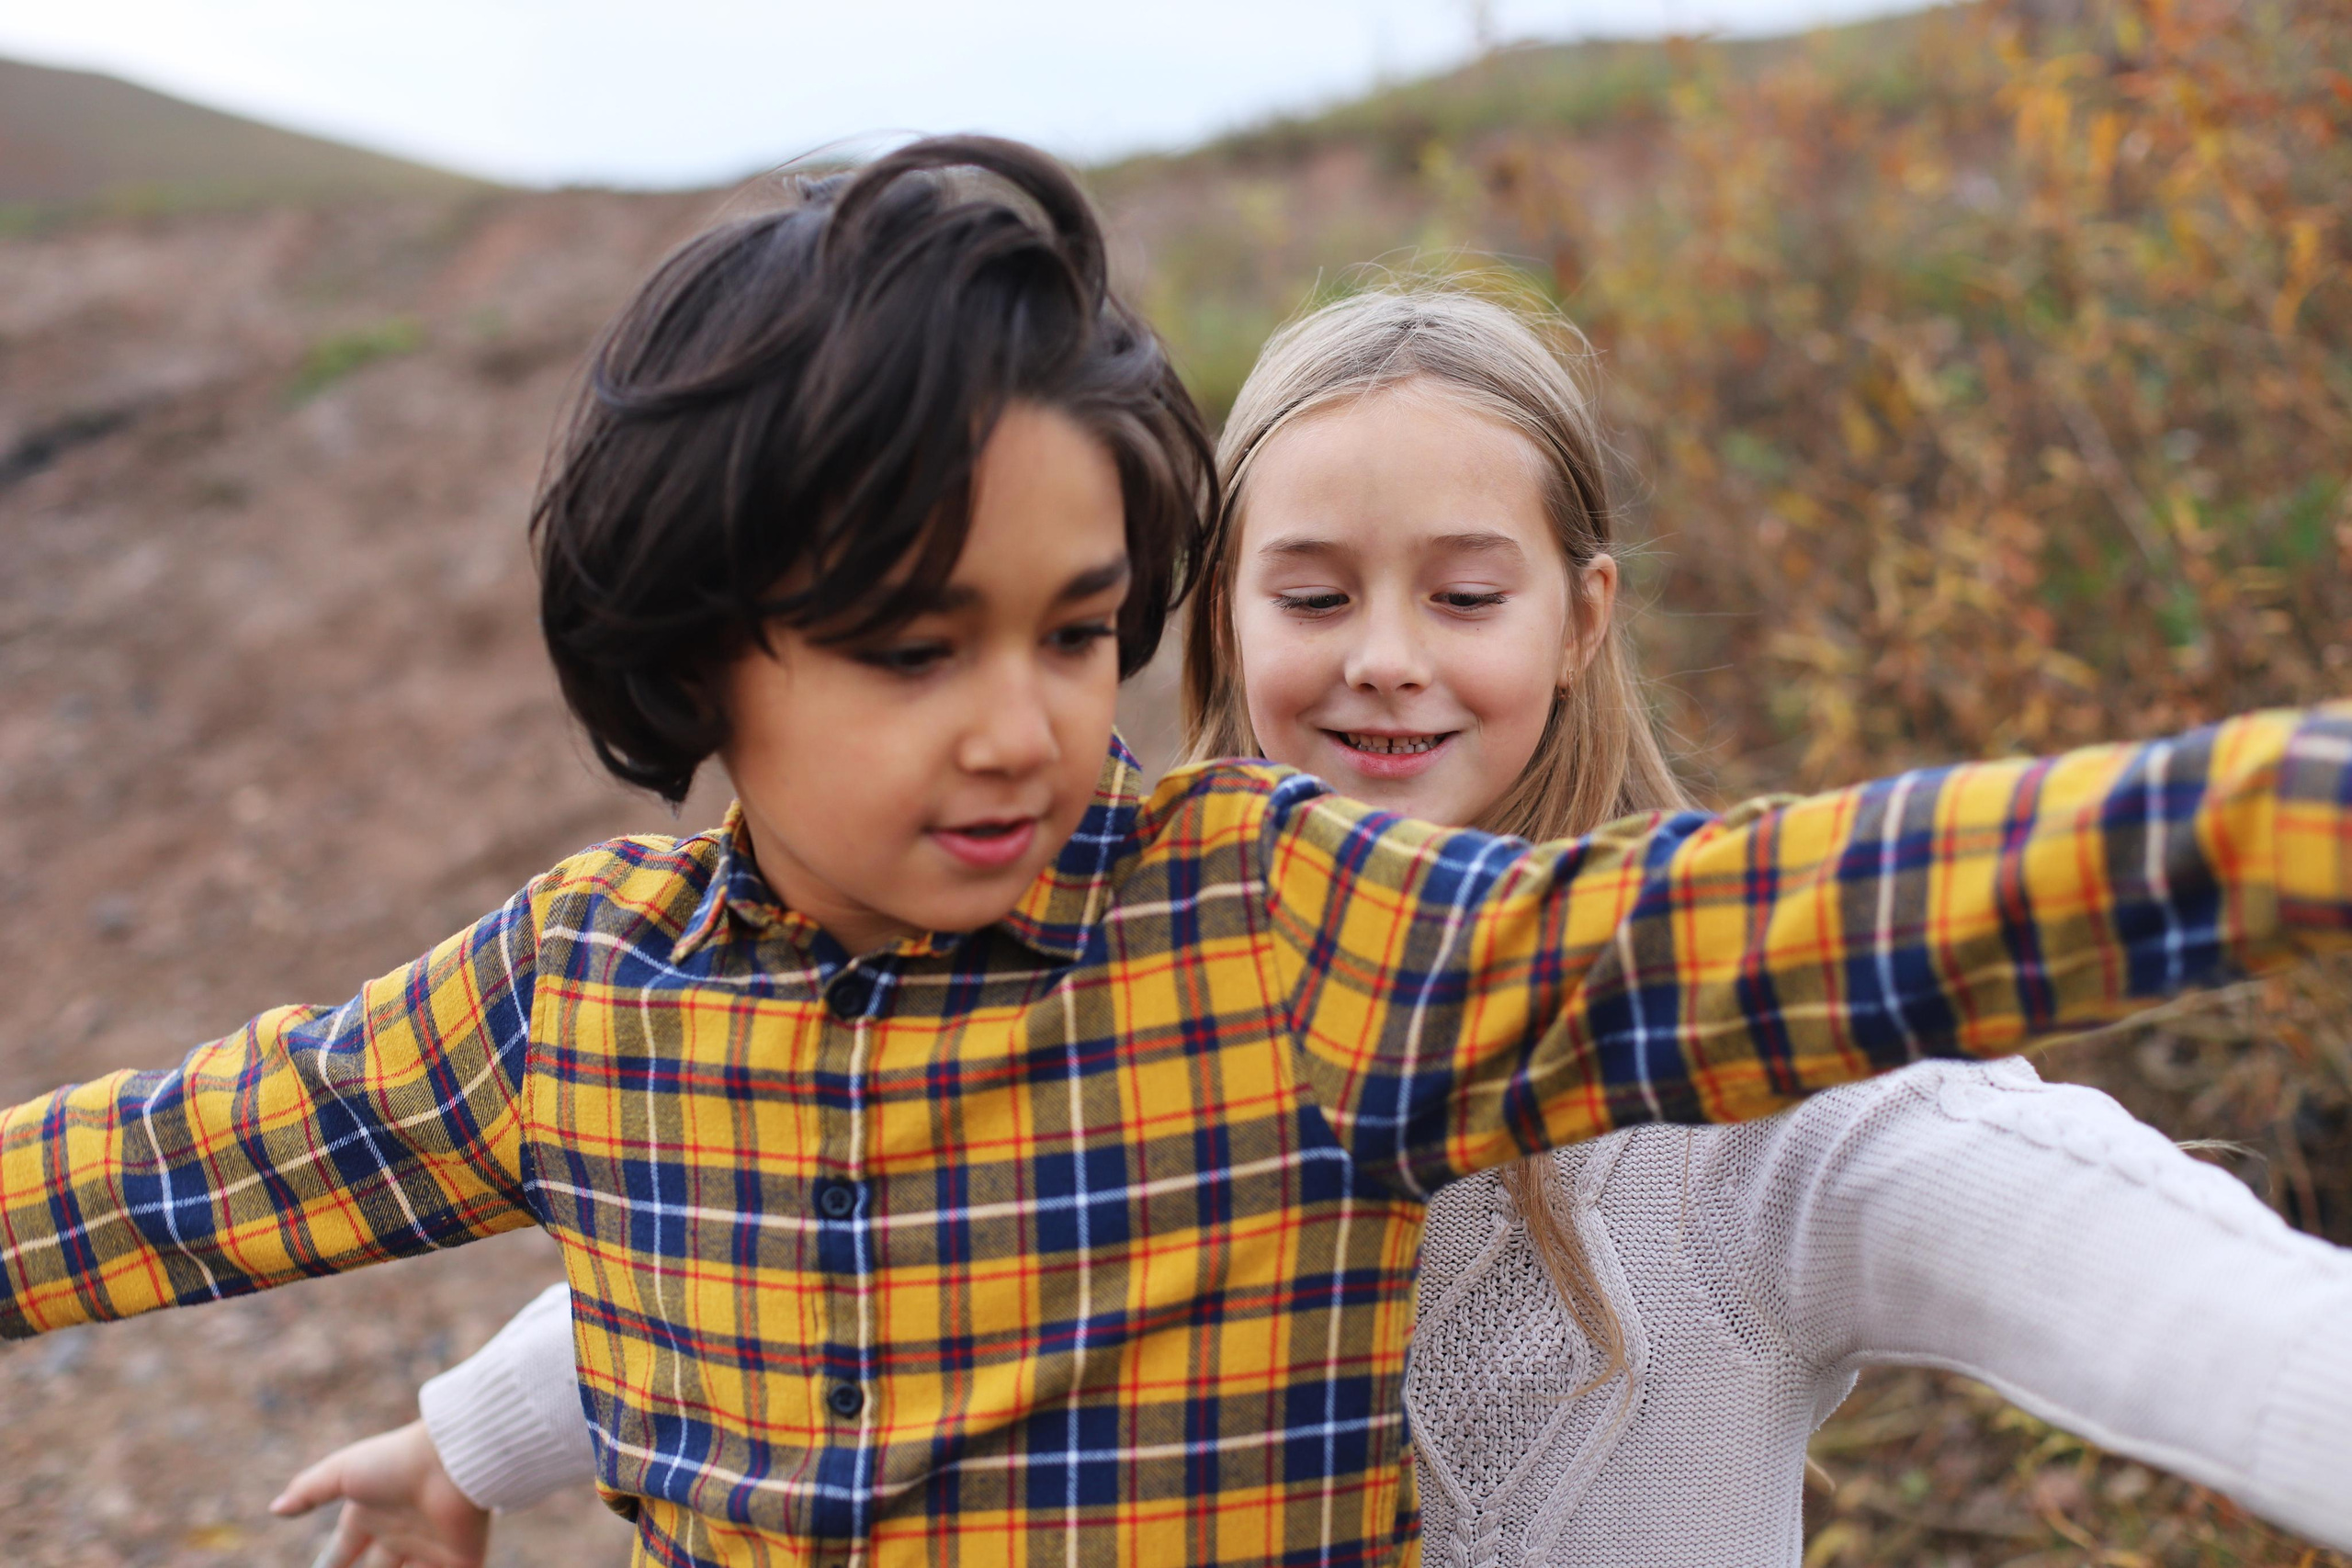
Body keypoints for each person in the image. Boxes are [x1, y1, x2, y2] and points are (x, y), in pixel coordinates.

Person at [2, 139, 2346, 1568]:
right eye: (913, 642)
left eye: (1071, 632)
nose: (1023, 722)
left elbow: (1740, 929)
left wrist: (2272, 809)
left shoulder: (1283, 928)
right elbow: (238, 1162)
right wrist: (457, 1431)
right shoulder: (596, 993)